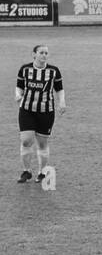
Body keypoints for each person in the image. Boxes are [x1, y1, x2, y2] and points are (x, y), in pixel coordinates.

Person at [15, 43, 65, 189]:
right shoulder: (25, 69)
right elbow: (19, 86)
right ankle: (26, 171)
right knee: (26, 141)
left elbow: (59, 89)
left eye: (46, 53)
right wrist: (17, 95)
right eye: (41, 52)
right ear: (34, 54)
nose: (44, 55)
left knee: (42, 143)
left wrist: (62, 102)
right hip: (27, 110)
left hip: (46, 111)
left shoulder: (54, 71)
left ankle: (42, 172)